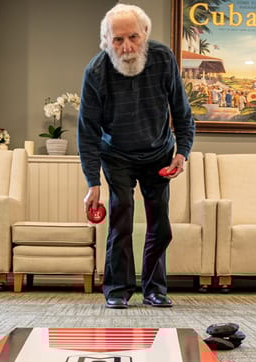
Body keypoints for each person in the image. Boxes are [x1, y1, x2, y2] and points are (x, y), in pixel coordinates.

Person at [77, 3, 195, 309]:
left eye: (133, 37)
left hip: (158, 152)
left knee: (160, 223)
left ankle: (155, 289)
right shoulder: (96, 72)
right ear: (106, 42)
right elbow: (87, 132)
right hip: (116, 154)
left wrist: (182, 153)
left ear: (145, 33)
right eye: (118, 40)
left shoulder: (163, 59)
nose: (127, 47)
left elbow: (182, 111)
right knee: (122, 216)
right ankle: (117, 290)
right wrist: (93, 183)